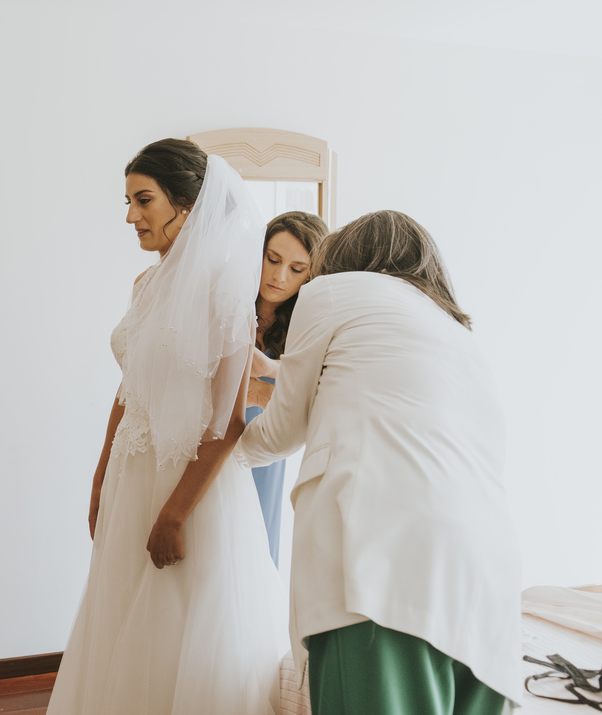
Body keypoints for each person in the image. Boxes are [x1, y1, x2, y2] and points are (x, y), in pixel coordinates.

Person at [233, 210, 522, 715]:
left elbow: (279, 433)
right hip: (486, 583)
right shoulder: (456, 333)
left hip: (381, 563)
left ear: (340, 260)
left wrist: (208, 444)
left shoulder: (330, 294)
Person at [47, 139, 287, 715]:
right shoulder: (145, 286)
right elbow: (129, 390)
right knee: (123, 621)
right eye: (129, 201)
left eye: (143, 200)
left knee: (183, 627)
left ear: (188, 203)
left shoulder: (227, 292)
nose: (131, 216)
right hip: (135, 475)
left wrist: (175, 513)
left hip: (190, 489)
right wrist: (102, 476)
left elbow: (228, 420)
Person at [246, 212, 329, 566]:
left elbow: (318, 386)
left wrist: (271, 372)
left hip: (263, 452)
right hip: (205, 441)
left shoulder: (309, 324)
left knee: (253, 552)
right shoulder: (226, 306)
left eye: (296, 269)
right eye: (273, 260)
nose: (279, 277)